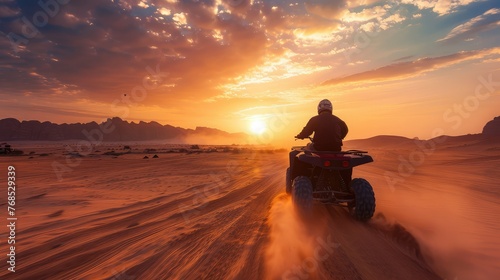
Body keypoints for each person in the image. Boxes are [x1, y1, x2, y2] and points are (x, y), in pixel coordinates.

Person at [290, 99, 352, 186]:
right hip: (336, 150)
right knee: (347, 163)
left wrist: (300, 135)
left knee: (301, 154)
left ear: (319, 109)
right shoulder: (339, 120)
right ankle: (348, 185)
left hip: (319, 148)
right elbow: (345, 130)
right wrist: (339, 137)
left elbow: (306, 131)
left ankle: (296, 183)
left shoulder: (315, 119)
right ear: (331, 108)